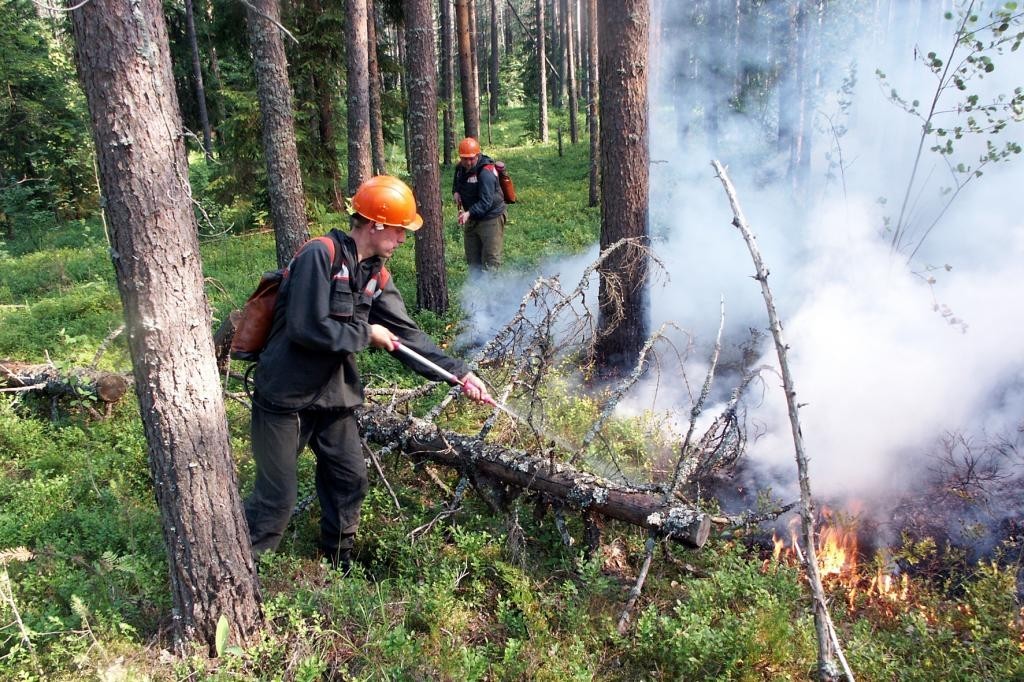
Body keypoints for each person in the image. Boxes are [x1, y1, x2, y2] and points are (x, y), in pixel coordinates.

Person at [244, 175, 493, 570]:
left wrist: (459, 374)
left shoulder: (375, 275)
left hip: (332, 399)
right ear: (376, 224)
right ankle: (244, 571)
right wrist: (367, 333)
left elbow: (407, 337)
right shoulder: (318, 256)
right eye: (399, 230)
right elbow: (306, 328)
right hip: (284, 399)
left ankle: (337, 562)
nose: (402, 239)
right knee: (276, 497)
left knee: (349, 480)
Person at [452, 136, 507, 271]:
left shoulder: (485, 172)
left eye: (471, 158)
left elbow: (486, 202)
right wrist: (456, 192)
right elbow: (457, 184)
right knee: (473, 260)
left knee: (491, 260)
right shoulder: (460, 168)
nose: (468, 162)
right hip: (472, 218)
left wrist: (468, 213)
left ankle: (492, 289)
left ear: (477, 155)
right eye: (465, 158)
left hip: (491, 217)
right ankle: (476, 289)